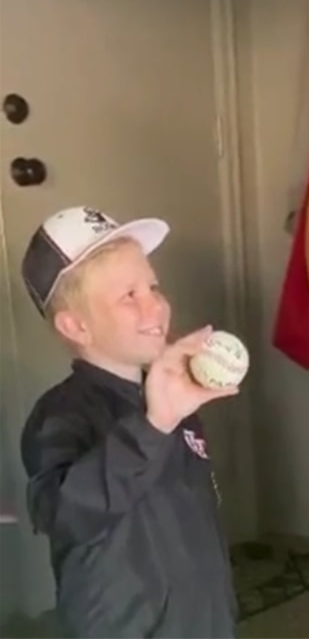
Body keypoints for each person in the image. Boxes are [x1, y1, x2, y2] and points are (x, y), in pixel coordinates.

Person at [18, 206, 239, 638]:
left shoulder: (170, 397)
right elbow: (64, 514)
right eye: (129, 296)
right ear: (77, 326)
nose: (155, 305)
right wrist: (154, 426)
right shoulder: (60, 415)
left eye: (153, 286)